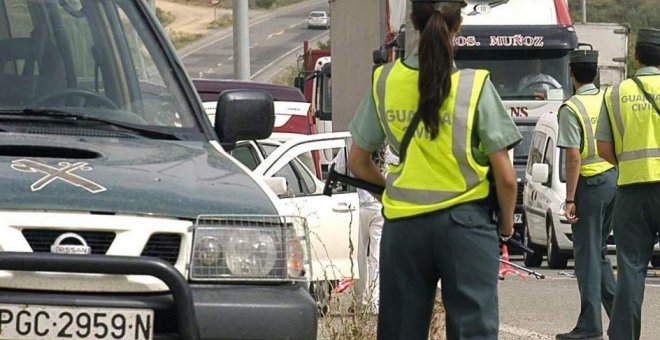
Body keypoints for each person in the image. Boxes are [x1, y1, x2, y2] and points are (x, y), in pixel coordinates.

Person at [347, 1, 521, 339]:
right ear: (459, 26)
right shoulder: (475, 86)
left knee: (400, 331)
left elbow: (357, 161)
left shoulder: (385, 80)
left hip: (404, 229)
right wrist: (506, 226)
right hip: (466, 227)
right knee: (473, 330)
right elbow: (507, 179)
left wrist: (390, 189)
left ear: (413, 21)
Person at [596, 27, 660, 340]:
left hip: (632, 189)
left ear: (635, 56)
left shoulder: (615, 93)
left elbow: (602, 148)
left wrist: (630, 164)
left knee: (632, 268)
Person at [555, 48, 617, 340]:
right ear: (596, 72)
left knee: (586, 258)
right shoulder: (608, 99)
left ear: (571, 75)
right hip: (614, 181)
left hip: (589, 188)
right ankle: (619, 318)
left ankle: (590, 326)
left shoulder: (572, 108)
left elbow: (573, 157)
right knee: (600, 254)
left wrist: (569, 199)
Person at [332, 146, 397, 313]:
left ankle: (361, 301)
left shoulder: (352, 146)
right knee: (377, 256)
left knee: (360, 257)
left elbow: (337, 168)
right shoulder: (389, 146)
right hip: (381, 206)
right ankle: (375, 302)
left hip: (358, 205)